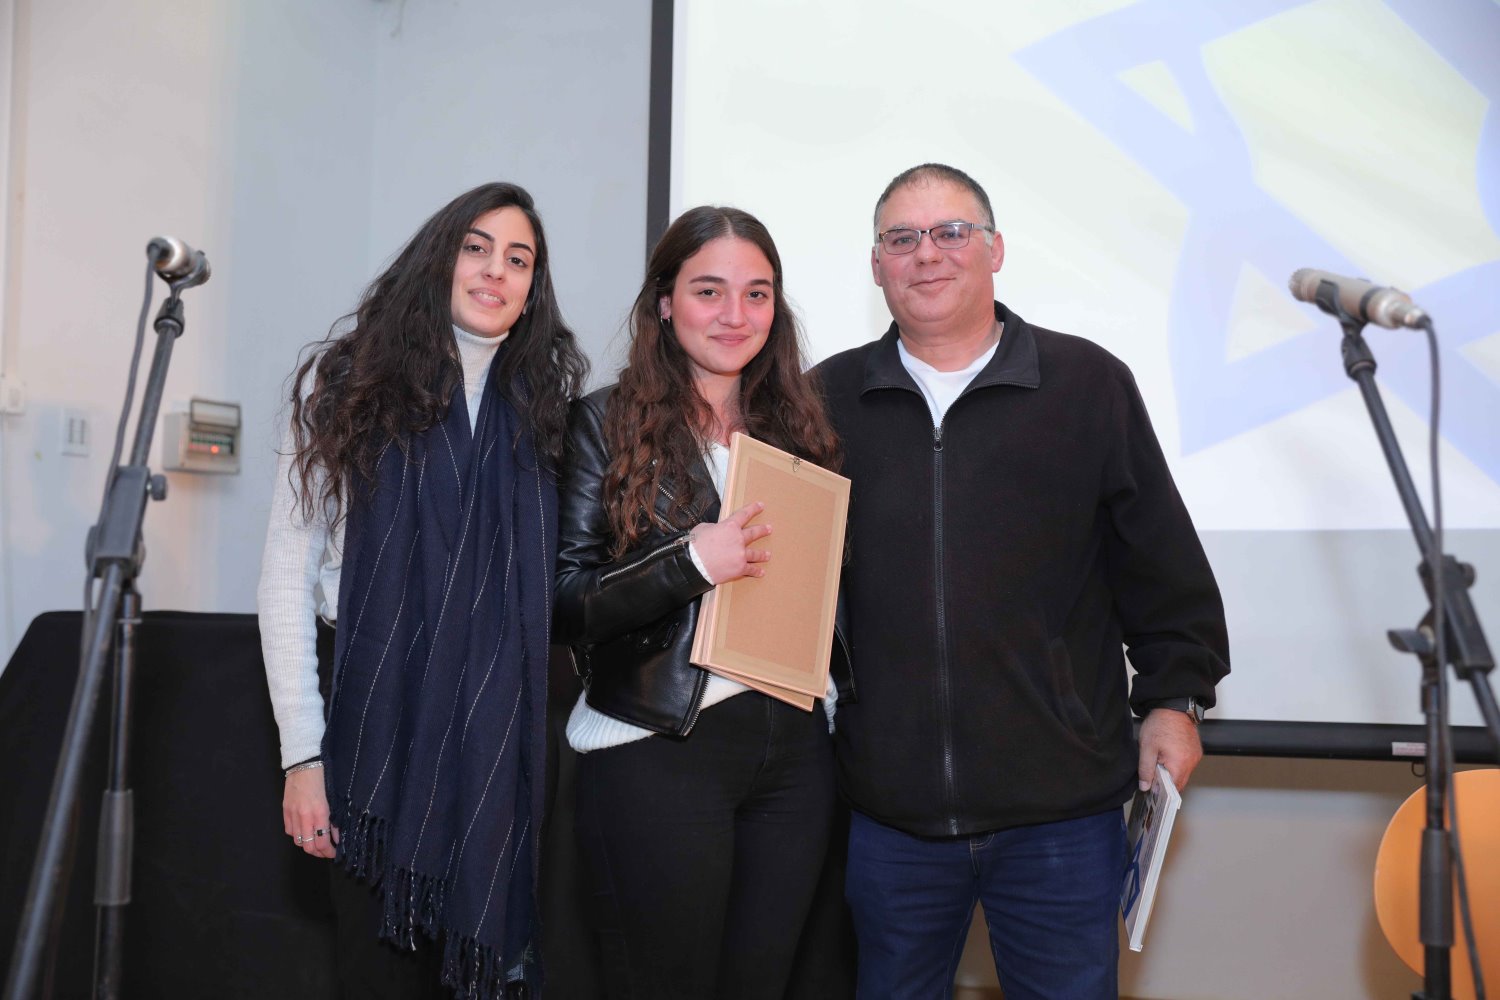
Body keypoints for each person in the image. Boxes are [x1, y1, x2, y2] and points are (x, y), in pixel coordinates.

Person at [814, 163, 1231, 999]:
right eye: (903, 238)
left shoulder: (1088, 384)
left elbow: (1162, 565)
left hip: (1060, 817)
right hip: (887, 818)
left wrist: (1175, 699)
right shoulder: (825, 400)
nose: (927, 254)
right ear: (876, 265)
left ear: (995, 249)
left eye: (951, 232)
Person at [257, 182, 587, 999]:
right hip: (371, 741)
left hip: (494, 752)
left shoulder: (547, 413)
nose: (495, 271)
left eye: (519, 260)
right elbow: (287, 577)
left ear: (533, 288)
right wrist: (303, 758)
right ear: (439, 257)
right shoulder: (346, 386)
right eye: (477, 248)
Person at [553, 205, 845, 999]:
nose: (734, 314)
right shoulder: (602, 423)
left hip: (795, 753)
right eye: (708, 290)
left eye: (757, 294)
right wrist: (688, 563)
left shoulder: (802, 429)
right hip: (660, 746)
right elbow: (564, 603)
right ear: (664, 302)